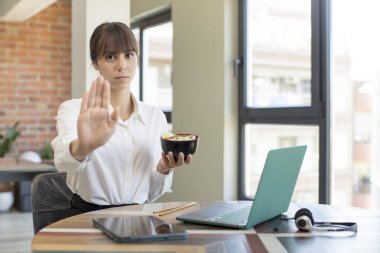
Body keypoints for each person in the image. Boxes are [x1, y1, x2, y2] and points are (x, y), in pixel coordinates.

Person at [51, 22, 192, 213]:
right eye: (110, 56)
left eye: (129, 55)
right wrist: (85, 146)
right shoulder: (74, 109)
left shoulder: (155, 117)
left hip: (138, 215)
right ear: (96, 63)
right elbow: (63, 162)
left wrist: (163, 168)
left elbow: (151, 192)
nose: (122, 65)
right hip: (87, 215)